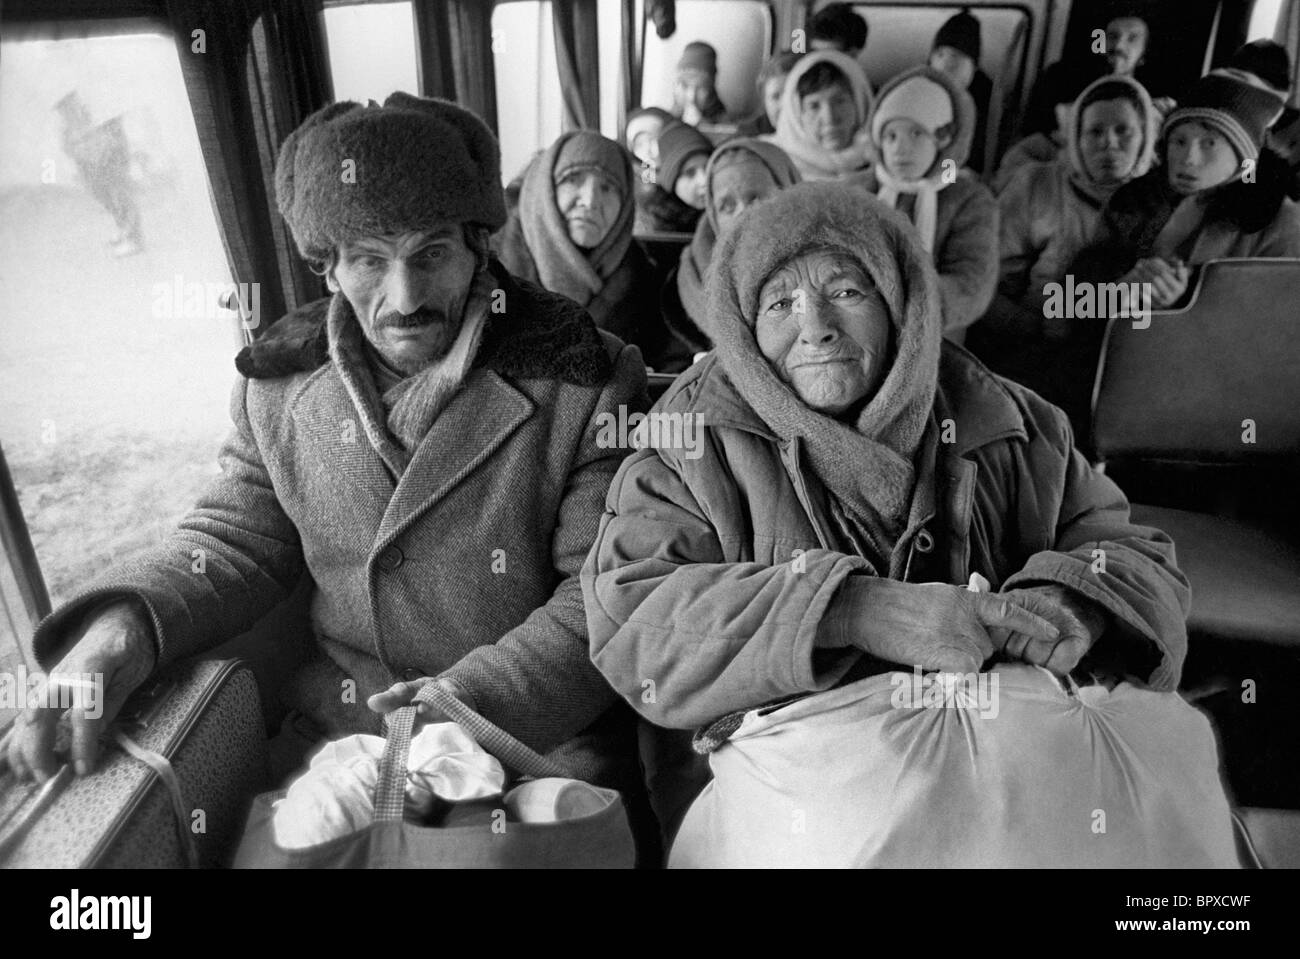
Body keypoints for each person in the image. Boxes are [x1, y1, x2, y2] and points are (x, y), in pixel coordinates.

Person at [7, 95, 649, 807]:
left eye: (431, 253)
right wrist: (124, 631)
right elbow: (231, 542)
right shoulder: (277, 392)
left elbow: (601, 593)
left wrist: (456, 712)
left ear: (478, 248)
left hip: (536, 745)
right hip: (344, 740)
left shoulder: (583, 380)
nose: (405, 297)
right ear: (328, 269)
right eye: (370, 260)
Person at [581, 182, 1192, 845]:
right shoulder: (688, 442)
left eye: (847, 291)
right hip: (794, 805)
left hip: (997, 776)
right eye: (780, 302)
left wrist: (1074, 603)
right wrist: (853, 609)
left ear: (901, 303)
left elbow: (1130, 551)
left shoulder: (1008, 420)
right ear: (741, 325)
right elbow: (635, 621)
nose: (814, 326)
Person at [975, 75, 1158, 362]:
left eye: (1123, 131)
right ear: (1076, 137)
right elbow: (983, 277)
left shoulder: (1162, 201)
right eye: (1095, 132)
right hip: (1032, 349)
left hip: (1128, 356)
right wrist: (1030, 327)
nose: (1109, 143)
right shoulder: (1037, 185)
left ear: (1145, 136)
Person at [857, 66, 998, 341]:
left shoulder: (969, 199)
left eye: (917, 134)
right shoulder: (856, 190)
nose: (900, 148)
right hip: (858, 327)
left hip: (936, 336)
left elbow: (971, 283)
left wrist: (907, 303)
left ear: (943, 140)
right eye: (890, 136)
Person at [494, 131, 660, 359]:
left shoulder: (643, 280)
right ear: (547, 190)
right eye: (572, 180)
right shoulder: (492, 268)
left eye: (607, 188)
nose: (590, 201)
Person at [667, 138, 801, 359]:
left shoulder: (826, 268)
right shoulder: (686, 283)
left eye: (757, 199)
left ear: (789, 196)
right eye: (727, 206)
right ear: (713, 216)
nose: (743, 216)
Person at [996, 58, 1107, 193]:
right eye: (1072, 104)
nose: (1083, 115)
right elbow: (1009, 192)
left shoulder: (1101, 150)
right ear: (1055, 109)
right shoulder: (1032, 149)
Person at [55, 91, 144, 257]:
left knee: (121, 195)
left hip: (110, 159)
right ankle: (124, 229)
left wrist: (106, 153)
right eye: (63, 109)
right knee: (106, 198)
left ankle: (135, 240)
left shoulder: (95, 113)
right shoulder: (68, 127)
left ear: (76, 101)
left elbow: (114, 134)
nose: (66, 111)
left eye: (69, 104)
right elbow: (68, 148)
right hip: (91, 167)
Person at [765, 49, 874, 182]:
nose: (829, 118)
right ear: (796, 115)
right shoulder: (769, 167)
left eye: (840, 101)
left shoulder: (892, 161)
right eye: (814, 106)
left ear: (860, 103)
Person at [928, 7, 994, 175]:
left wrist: (948, 176)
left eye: (957, 56)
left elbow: (965, 154)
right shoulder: (920, 88)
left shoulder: (987, 101)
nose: (945, 64)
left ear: (974, 66)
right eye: (940, 54)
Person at [634, 121, 713, 234]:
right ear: (671, 182)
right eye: (690, 173)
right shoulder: (653, 227)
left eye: (708, 168)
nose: (704, 181)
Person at [736, 51, 803, 138]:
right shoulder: (747, 139)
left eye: (791, 94)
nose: (784, 104)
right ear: (764, 103)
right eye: (775, 97)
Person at [672, 41, 729, 126]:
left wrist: (703, 126)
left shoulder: (725, 125)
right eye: (685, 86)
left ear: (711, 91)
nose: (691, 97)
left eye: (701, 88)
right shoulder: (661, 121)